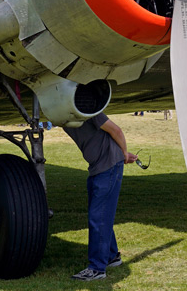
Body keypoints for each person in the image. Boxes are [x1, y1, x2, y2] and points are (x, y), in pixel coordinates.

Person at [64, 114, 138, 282]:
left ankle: (97, 268)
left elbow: (116, 130)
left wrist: (124, 153)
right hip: (99, 167)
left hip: (108, 166)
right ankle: (112, 256)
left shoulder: (88, 108)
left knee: (98, 217)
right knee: (99, 215)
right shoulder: (63, 111)